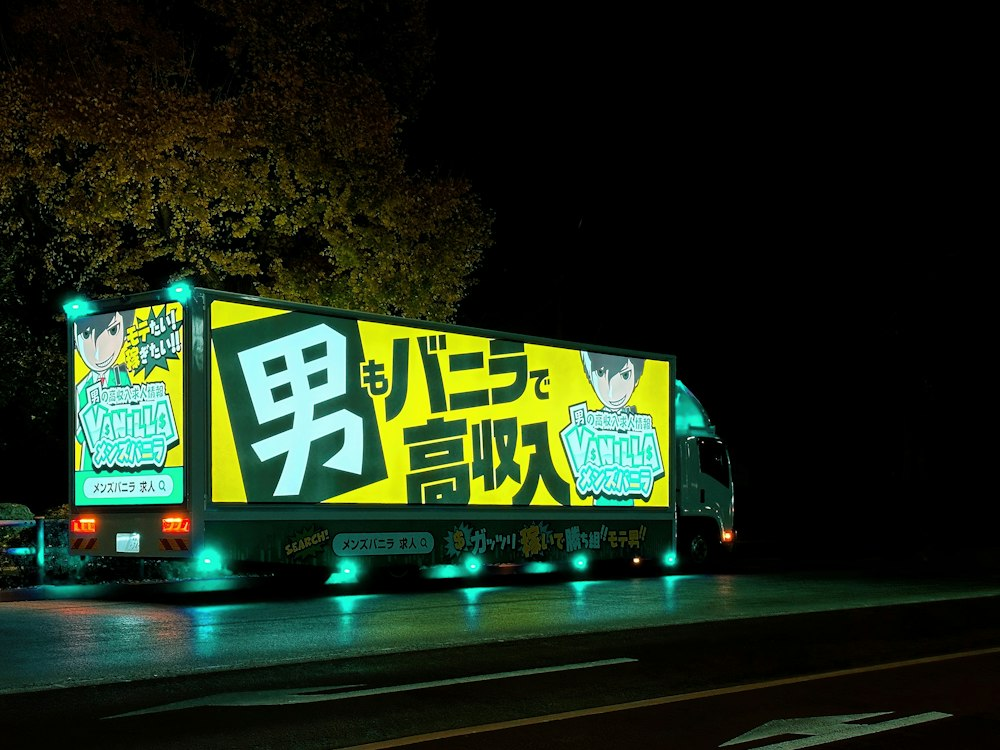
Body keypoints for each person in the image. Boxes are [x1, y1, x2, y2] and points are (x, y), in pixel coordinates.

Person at [73, 309, 135, 469]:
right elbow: (79, 436)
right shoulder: (80, 389)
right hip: (92, 467)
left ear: (124, 335)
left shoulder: (122, 376)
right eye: (86, 336)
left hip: (125, 460)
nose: (98, 350)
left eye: (113, 331)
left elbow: (135, 416)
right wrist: (92, 417)